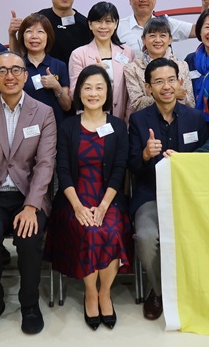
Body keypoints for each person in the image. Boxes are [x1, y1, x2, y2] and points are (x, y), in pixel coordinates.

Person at [0, 52, 56, 336]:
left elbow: (45, 163)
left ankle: (29, 304)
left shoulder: (43, 112)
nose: (10, 75)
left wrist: (31, 206)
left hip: (28, 194)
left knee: (29, 238)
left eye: (16, 69)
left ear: (26, 75)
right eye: (2, 71)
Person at [46, 64, 131, 331]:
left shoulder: (117, 126)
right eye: (87, 87)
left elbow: (119, 169)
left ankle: (105, 292)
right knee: (88, 231)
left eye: (99, 87)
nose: (93, 93)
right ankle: (90, 293)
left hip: (109, 198)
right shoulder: (69, 126)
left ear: (108, 92)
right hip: (74, 197)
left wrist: (104, 206)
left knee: (111, 230)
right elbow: (62, 170)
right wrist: (78, 207)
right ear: (79, 92)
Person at [128, 58, 208, 320]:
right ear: (148, 88)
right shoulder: (138, 120)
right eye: (158, 82)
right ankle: (159, 291)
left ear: (180, 82)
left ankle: (192, 288)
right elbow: (133, 168)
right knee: (146, 236)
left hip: (189, 196)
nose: (166, 86)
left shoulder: (196, 118)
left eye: (171, 80)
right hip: (150, 194)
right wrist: (145, 155)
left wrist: (188, 162)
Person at [8, 0, 92, 65]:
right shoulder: (38, 20)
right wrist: (12, 35)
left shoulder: (86, 25)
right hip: (42, 78)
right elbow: (20, 56)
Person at [69, 1, 134, 121]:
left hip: (120, 119)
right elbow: (74, 93)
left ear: (116, 24)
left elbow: (131, 92)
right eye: (98, 21)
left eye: (108, 21)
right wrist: (92, 74)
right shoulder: (78, 54)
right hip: (89, 120)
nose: (103, 26)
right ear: (90, 24)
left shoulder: (127, 52)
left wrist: (128, 120)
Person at [117, 0, 209, 58]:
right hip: (131, 79)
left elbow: (199, 30)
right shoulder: (118, 27)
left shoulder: (164, 23)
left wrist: (205, 6)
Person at [124, 17, 194, 111]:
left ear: (170, 39)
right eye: (152, 35)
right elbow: (138, 103)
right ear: (143, 39)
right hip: (146, 122)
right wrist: (172, 95)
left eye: (162, 36)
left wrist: (180, 97)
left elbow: (190, 103)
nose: (157, 40)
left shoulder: (182, 66)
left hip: (179, 121)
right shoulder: (132, 69)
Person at [17, 12, 72, 125]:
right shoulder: (17, 67)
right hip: (25, 127)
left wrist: (56, 87)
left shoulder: (59, 65)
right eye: (29, 32)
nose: (34, 36)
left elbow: (67, 106)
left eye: (40, 32)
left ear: (48, 36)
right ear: (22, 37)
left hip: (54, 127)